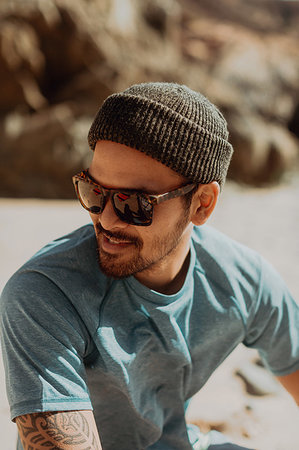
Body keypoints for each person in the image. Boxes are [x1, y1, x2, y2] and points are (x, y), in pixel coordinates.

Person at [0, 82, 298, 450]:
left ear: (203, 204)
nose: (106, 220)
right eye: (94, 192)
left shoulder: (242, 280)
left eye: (134, 203)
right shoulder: (44, 293)